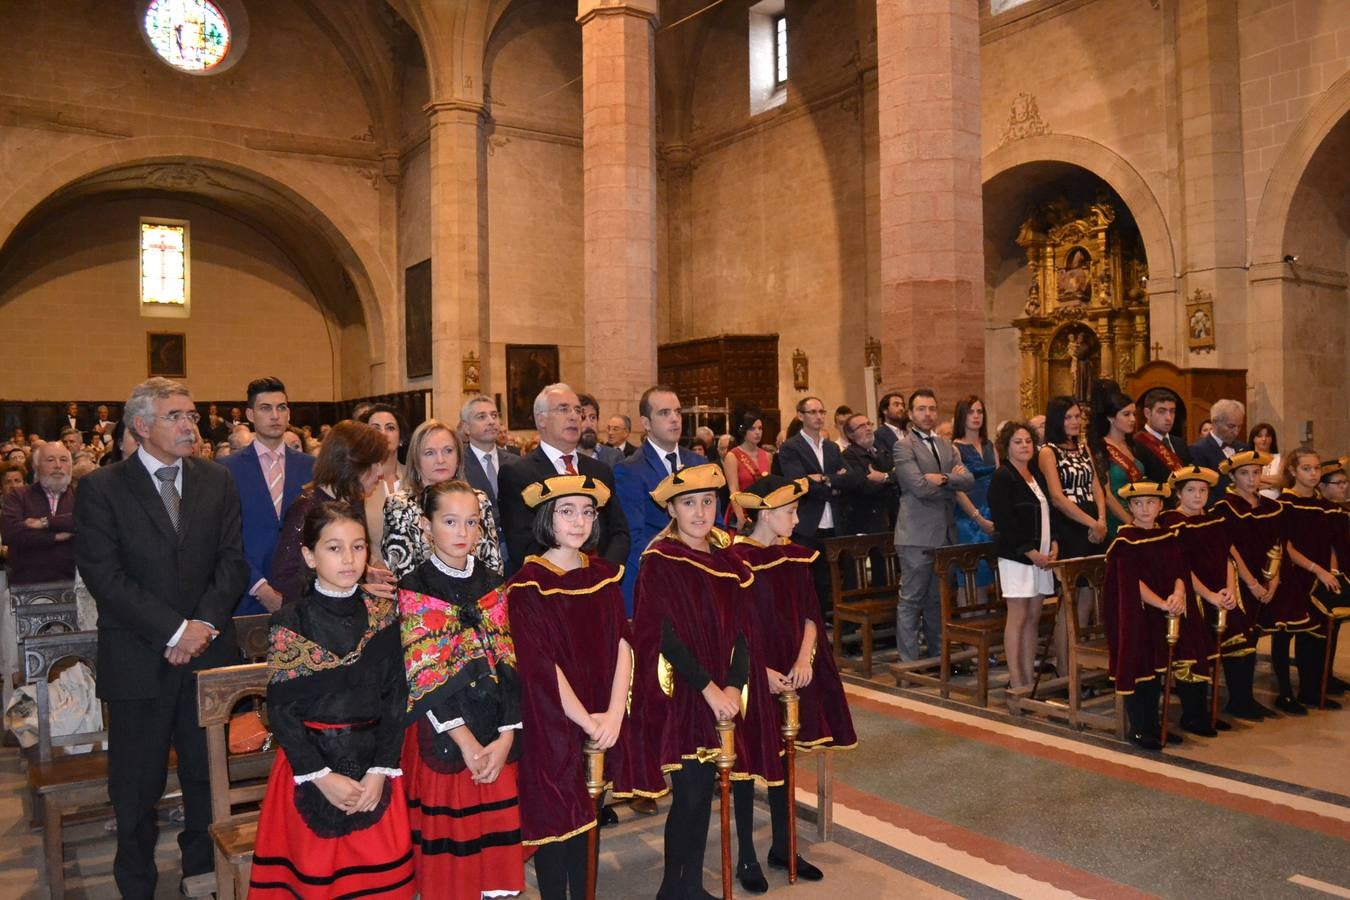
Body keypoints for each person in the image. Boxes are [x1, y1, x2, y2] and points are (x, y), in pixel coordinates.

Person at [74, 377, 248, 897]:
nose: (190, 425)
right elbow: (104, 577)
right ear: (141, 426)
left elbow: (231, 563)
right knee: (135, 788)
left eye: (192, 415)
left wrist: (201, 629)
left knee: (204, 781)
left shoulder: (215, 480)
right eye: (177, 416)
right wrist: (175, 629)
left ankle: (201, 879)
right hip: (137, 660)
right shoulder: (103, 488)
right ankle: (136, 885)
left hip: (206, 659)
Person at [248, 501, 414, 899]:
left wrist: (380, 770)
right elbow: (283, 711)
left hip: (375, 764)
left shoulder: (385, 616)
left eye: (358, 547)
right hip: (310, 769)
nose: (349, 559)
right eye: (334, 548)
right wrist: (320, 777)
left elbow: (396, 698)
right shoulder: (292, 620)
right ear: (309, 555)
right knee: (315, 882)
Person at [507, 475, 641, 899]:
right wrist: (586, 720)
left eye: (587, 512)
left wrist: (615, 711)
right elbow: (540, 663)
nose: (579, 521)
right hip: (555, 719)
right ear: (547, 518)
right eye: (566, 511)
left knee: (591, 815)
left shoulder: (601, 574)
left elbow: (623, 641)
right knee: (556, 822)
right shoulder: (528, 585)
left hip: (604, 715)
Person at [628, 463, 753, 900]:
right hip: (684, 691)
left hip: (722, 692)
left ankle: (690, 885)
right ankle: (673, 887)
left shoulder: (727, 559)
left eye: (707, 501)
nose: (700, 512)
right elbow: (662, 635)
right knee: (690, 793)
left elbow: (742, 630)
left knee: (704, 796)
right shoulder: (661, 559)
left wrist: (735, 685)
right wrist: (708, 687)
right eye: (688, 504)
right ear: (672, 510)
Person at [727, 475, 858, 891]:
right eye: (790, 511)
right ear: (766, 514)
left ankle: (784, 845)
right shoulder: (737, 560)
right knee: (747, 763)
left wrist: (805, 658)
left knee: (786, 757)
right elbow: (733, 628)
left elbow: (810, 614)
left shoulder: (795, 557)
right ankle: (746, 855)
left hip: (791, 670)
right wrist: (758, 670)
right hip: (752, 673)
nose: (796, 518)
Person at [396, 481, 525, 900]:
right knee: (455, 867)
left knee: (495, 860)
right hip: (448, 735)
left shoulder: (493, 581)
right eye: (450, 521)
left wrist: (507, 735)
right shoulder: (416, 587)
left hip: (495, 731)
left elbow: (508, 662)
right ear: (425, 524)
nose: (462, 532)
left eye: (471, 522)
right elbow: (425, 672)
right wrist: (467, 742)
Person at [498, 384, 630, 576]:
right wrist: (572, 577)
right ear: (541, 419)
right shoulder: (517, 473)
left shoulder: (600, 471)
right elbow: (522, 544)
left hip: (601, 584)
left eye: (578, 411)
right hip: (549, 588)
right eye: (563, 409)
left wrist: (603, 573)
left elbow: (619, 533)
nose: (574, 416)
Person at [1104, 481, 1192, 750]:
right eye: (1138, 504)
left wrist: (1178, 594)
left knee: (1157, 670)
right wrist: (1163, 604)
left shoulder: (1167, 535)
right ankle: (1139, 728)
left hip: (1162, 612)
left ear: (1161, 506)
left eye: (1151, 503)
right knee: (1140, 668)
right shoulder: (1125, 541)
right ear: (1129, 507)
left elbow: (1180, 570)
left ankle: (1155, 725)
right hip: (1135, 615)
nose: (1145, 508)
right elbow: (1133, 584)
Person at [219, 376, 316, 615]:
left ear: (289, 414)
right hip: (247, 592)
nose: (275, 415)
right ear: (250, 415)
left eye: (281, 408)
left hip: (303, 593)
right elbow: (223, 537)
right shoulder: (226, 470)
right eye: (265, 408)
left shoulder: (312, 467)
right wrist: (260, 588)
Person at [892, 390, 974, 661]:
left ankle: (939, 658)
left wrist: (940, 479)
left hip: (944, 534)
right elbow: (918, 487)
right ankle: (909, 663)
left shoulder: (946, 445)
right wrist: (951, 480)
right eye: (921, 409)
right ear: (911, 414)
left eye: (932, 409)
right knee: (911, 600)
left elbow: (969, 480)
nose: (928, 414)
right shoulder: (904, 446)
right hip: (915, 534)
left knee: (937, 601)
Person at [271, 421, 388, 605]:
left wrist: (364, 571)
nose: (380, 472)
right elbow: (285, 578)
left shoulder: (354, 500)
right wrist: (356, 591)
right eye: (376, 463)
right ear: (353, 464)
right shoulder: (306, 508)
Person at [1159, 465, 1236, 735]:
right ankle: (1192, 715)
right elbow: (1181, 568)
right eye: (1191, 490)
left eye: (1203, 490)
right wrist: (1209, 595)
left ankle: (1207, 712)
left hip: (1217, 595)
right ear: (1178, 494)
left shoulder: (1212, 519)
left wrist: (1229, 588)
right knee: (1192, 655)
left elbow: (1227, 556)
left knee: (1212, 653)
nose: (1198, 496)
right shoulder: (1171, 522)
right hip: (1192, 598)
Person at [374, 418, 502, 579]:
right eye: (430, 453)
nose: (441, 460)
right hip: (424, 600)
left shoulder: (479, 499)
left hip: (479, 597)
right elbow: (402, 573)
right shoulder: (400, 505)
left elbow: (493, 564)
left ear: (459, 456)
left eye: (448, 450)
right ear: (416, 460)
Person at [612, 385, 699, 611]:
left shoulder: (700, 464)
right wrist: (678, 568)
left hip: (700, 578)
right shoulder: (629, 470)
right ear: (646, 423)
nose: (674, 419)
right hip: (653, 582)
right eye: (664, 413)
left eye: (678, 412)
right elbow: (634, 538)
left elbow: (716, 525)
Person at [1267, 448, 1340, 713]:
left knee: (1315, 634)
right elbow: (1285, 546)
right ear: (1292, 471)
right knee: (1286, 632)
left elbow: (1330, 542)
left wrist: (1330, 571)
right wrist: (1316, 569)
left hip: (1320, 575)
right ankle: (1285, 693)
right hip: (1294, 575)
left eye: (1317, 468)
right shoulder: (1286, 502)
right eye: (1307, 468)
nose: (1313, 473)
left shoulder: (1320, 502)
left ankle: (1310, 689)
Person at [988, 422, 1058, 692]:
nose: (1025, 446)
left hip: (1041, 557)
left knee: (1034, 617)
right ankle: (1016, 680)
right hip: (1018, 557)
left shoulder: (1035, 475)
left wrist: (1053, 543)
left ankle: (1029, 676)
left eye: (1028, 441)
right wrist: (1030, 552)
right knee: (1018, 617)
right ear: (1006, 447)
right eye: (1018, 442)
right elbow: (1005, 522)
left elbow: (1048, 513)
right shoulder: (1003, 477)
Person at [1038, 396, 1107, 673]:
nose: (1075, 422)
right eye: (1069, 417)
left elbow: (1096, 485)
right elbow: (1056, 496)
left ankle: (1078, 662)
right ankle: (1065, 667)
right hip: (1070, 528)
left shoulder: (1083, 447)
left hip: (1094, 525)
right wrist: (1091, 523)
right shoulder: (1047, 452)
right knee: (1070, 600)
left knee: (1089, 597)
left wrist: (1101, 520)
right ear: (1057, 420)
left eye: (1078, 416)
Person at [1211, 450, 1281, 720]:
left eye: (1256, 472)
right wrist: (1251, 582)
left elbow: (1277, 544)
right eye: (1244, 473)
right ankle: (1238, 699)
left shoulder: (1270, 506)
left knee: (1253, 636)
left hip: (1264, 579)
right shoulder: (1225, 507)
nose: (1252, 479)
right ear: (1232, 477)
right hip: (1240, 581)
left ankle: (1248, 697)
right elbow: (1229, 548)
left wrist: (1273, 579)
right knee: (1238, 637)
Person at [776, 397, 846, 616]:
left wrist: (822, 478)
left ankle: (829, 619)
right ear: (801, 416)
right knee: (809, 579)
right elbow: (798, 482)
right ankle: (809, 621)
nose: (819, 416)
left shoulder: (833, 447)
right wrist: (832, 482)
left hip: (834, 520)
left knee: (832, 578)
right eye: (813, 412)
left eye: (822, 412)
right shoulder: (790, 447)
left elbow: (849, 478)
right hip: (807, 522)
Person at [1, 441, 76, 585]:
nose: (58, 465)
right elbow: (11, 533)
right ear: (36, 466)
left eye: (64, 460)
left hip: (73, 582)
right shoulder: (18, 496)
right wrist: (55, 537)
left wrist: (45, 522)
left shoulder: (81, 495)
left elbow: (83, 521)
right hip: (27, 585)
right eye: (50, 460)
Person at [460, 395, 517, 567]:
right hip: (477, 554)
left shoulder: (516, 462)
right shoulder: (458, 464)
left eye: (494, 415)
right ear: (466, 427)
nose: (491, 421)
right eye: (481, 417)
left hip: (516, 555)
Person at [951, 395, 997, 597]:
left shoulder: (990, 445)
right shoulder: (954, 447)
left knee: (988, 579)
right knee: (970, 579)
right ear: (961, 416)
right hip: (968, 517)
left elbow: (999, 480)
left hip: (992, 513)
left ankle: (985, 623)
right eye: (971, 412)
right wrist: (977, 517)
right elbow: (957, 489)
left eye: (980, 411)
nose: (976, 416)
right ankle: (967, 623)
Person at [1315, 459, 1350, 696]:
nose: (1344, 487)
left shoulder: (1343, 509)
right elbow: (1328, 546)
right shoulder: (1322, 511)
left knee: (1335, 627)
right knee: (1324, 628)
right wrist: (1334, 572)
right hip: (1328, 575)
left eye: (1346, 482)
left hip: (1345, 571)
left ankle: (1327, 674)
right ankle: (1319, 677)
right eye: (1338, 483)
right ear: (1323, 486)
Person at [1092, 385, 1144, 542]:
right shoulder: (1100, 448)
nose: (1133, 419)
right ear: (1111, 417)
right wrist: (1130, 522)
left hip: (1140, 514)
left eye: (1134, 414)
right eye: (1126, 414)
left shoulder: (1132, 445)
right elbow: (1105, 494)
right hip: (1117, 520)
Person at [836, 414, 896, 534]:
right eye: (861, 426)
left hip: (890, 517)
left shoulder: (883, 453)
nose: (868, 428)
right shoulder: (848, 456)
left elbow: (901, 477)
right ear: (850, 435)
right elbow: (865, 486)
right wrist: (892, 478)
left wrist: (884, 477)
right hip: (866, 522)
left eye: (869, 424)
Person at [721, 411, 772, 532]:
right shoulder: (732, 456)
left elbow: (769, 488)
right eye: (752, 428)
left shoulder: (767, 456)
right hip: (741, 511)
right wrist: (740, 517)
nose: (757, 432)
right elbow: (733, 489)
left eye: (760, 428)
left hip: (762, 512)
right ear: (743, 431)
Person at [1189, 399, 1248, 499]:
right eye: (1231, 426)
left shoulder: (1244, 448)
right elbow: (1201, 488)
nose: (1236, 431)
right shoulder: (1198, 450)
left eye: (1240, 426)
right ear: (1215, 422)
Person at [1132, 389, 1191, 484]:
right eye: (1161, 411)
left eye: (1172, 411)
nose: (1169, 417)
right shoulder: (1136, 444)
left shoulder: (1180, 443)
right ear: (1147, 413)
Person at [359, 403, 407, 499]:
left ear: (401, 438)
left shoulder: (414, 476)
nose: (383, 434)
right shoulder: (359, 480)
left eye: (390, 428)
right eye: (375, 428)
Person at [578, 393, 624, 468]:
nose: (589, 424)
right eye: (583, 418)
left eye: (593, 417)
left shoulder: (615, 457)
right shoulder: (566, 458)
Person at [1248, 423, 1285, 499]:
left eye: (1267, 436)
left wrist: (1256, 480)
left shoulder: (1280, 458)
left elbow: (1281, 480)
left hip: (1276, 502)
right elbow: (1244, 481)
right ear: (1253, 439)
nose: (1264, 439)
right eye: (1259, 436)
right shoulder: (1246, 458)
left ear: (1272, 439)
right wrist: (1272, 483)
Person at [872, 391, 908, 458]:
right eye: (896, 405)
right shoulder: (878, 435)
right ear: (885, 410)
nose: (901, 408)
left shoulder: (908, 432)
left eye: (902, 405)